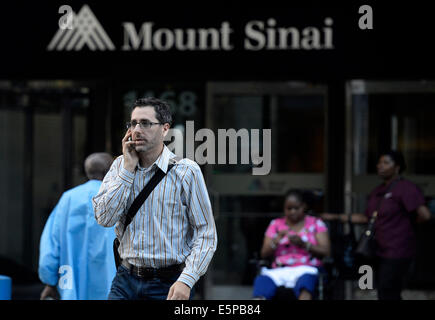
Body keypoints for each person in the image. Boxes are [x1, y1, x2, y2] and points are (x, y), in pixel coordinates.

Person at [93, 97, 217, 300]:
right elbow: (104, 219)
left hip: (168, 283)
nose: (137, 129)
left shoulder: (186, 171)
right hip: (125, 279)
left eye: (146, 123)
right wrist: (127, 170)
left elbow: (206, 233)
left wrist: (187, 279)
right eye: (133, 123)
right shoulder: (119, 167)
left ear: (165, 129)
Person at [321, 150, 431, 300]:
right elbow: (367, 217)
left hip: (397, 250)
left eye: (386, 163)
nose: (380, 166)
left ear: (397, 167)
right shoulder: (377, 191)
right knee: (378, 289)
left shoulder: (406, 188)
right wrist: (336, 217)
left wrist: (404, 226)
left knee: (388, 290)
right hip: (375, 250)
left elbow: (425, 215)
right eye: (379, 163)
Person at [38, 152, 116, 300]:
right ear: (109, 171)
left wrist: (50, 282)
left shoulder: (68, 198)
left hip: (70, 288)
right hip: (110, 288)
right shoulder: (117, 198)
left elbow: (51, 245)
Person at [252, 189, 331, 300]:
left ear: (303, 206)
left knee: (306, 285)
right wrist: (277, 239)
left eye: (296, 208)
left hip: (307, 268)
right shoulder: (276, 224)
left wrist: (304, 244)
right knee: (262, 282)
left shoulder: (315, 223)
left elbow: (326, 251)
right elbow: (264, 254)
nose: (292, 212)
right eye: (289, 208)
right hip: (279, 270)